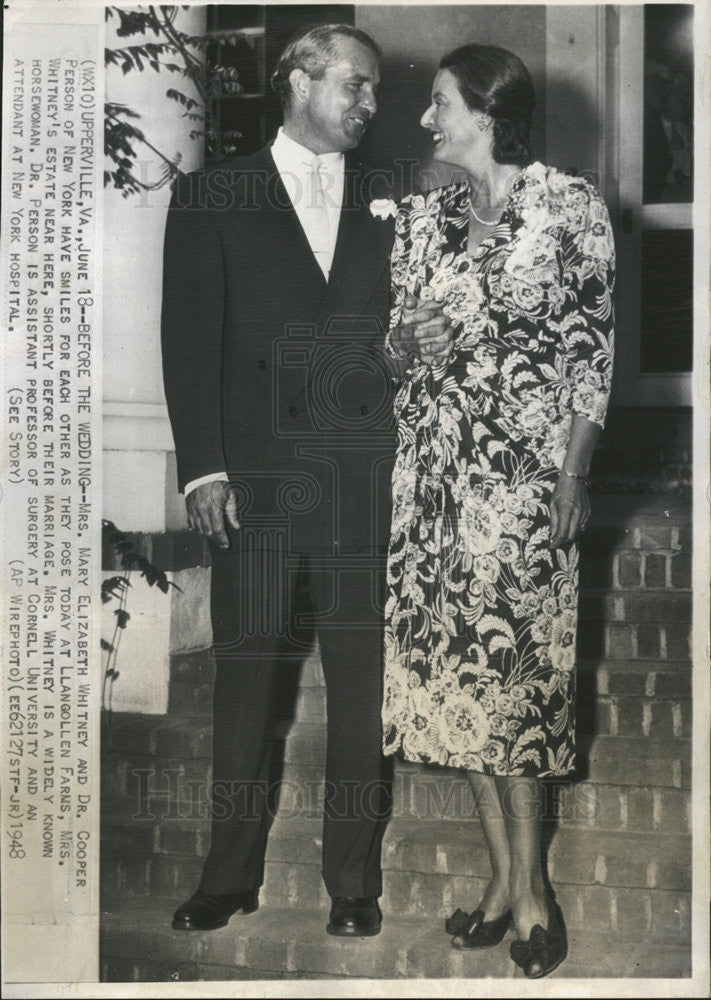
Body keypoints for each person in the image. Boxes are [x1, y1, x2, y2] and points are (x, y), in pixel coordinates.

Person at [160, 23, 452, 939]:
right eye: (355, 87)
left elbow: (402, 333)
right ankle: (228, 875)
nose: (373, 105)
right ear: (296, 82)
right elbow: (189, 338)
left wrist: (406, 350)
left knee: (361, 695)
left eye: (372, 89)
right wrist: (202, 464)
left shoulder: (393, 193)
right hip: (253, 482)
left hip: (362, 475)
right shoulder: (213, 193)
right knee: (247, 686)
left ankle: (352, 886)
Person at [382, 44, 615, 977]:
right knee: (455, 693)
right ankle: (502, 881)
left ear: (485, 110)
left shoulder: (568, 208)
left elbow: (589, 359)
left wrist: (572, 475)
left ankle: (532, 890)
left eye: (439, 103)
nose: (426, 121)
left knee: (511, 688)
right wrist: (406, 339)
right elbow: (393, 343)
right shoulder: (424, 217)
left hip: (521, 490)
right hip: (432, 487)